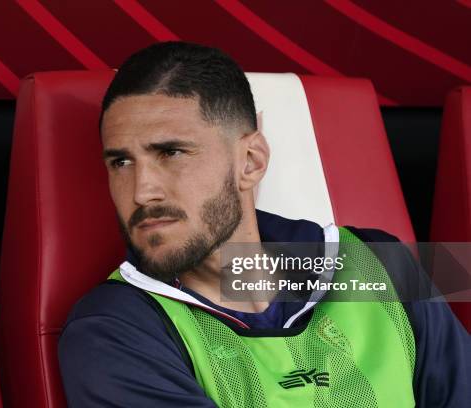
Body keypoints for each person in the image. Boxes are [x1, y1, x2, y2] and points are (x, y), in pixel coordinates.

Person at [58, 41, 470, 407]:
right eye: (121, 162)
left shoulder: (380, 264)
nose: (141, 191)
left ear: (251, 162)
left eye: (171, 153)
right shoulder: (111, 329)